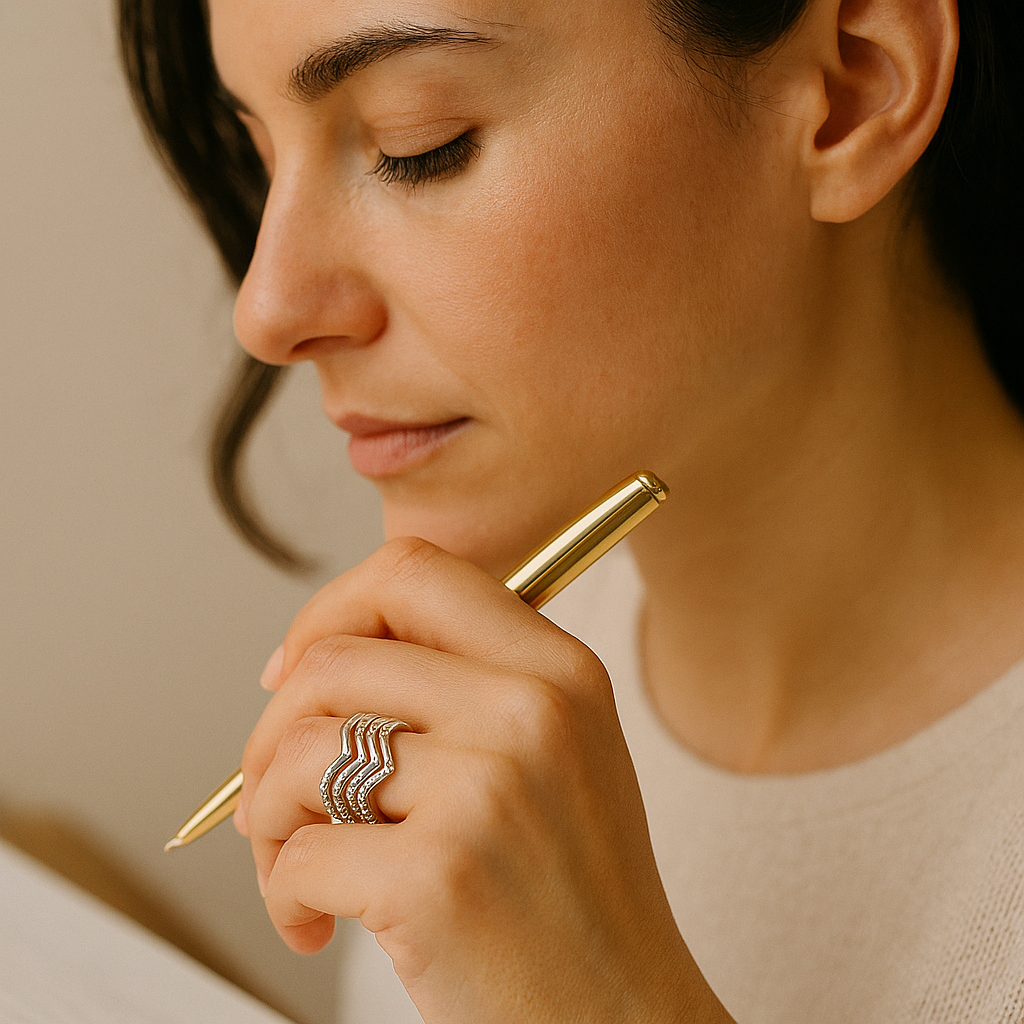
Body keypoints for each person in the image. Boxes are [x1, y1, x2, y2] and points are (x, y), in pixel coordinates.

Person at [119, 0, 1024, 1020]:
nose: (267, 309)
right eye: (259, 151)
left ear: (848, 92)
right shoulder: (482, 701)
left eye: (420, 144)